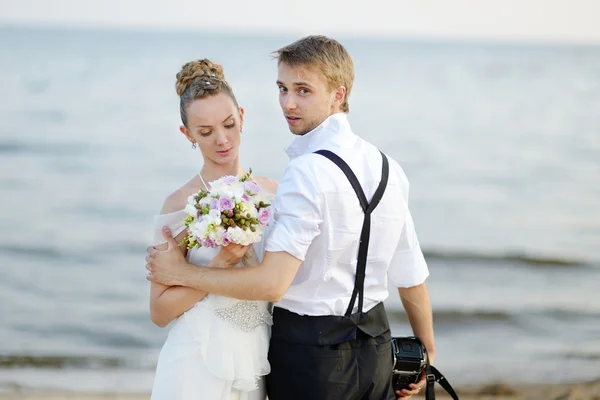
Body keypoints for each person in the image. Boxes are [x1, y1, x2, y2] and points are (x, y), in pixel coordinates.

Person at [146, 36, 435, 400]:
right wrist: (425, 350)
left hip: (294, 357)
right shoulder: (388, 167)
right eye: (282, 89)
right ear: (188, 135)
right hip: (362, 349)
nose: (288, 103)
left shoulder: (289, 182)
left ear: (338, 94)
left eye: (302, 90)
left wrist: (183, 273)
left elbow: (272, 284)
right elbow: (408, 270)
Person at [148, 58, 278, 400]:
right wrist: (220, 264)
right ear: (187, 134)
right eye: (205, 132)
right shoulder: (178, 205)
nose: (222, 139)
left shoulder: (274, 194)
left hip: (256, 360)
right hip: (196, 360)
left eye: (229, 124)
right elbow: (160, 312)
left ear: (242, 117)